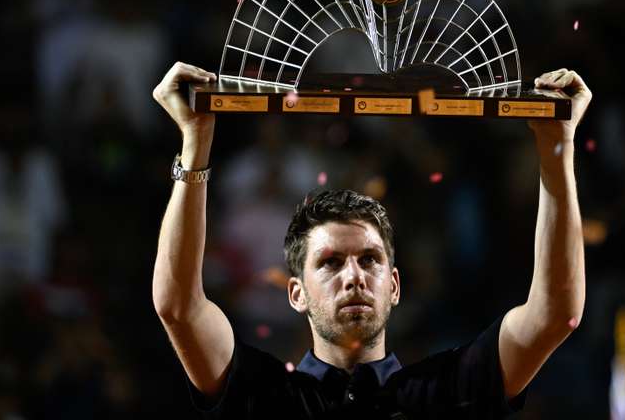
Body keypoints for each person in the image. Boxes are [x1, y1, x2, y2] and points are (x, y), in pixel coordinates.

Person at [151, 62, 592, 419]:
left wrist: (558, 150)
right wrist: (195, 142)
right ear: (296, 293)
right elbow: (178, 308)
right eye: (329, 263)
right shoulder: (264, 394)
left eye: (369, 259)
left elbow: (555, 315)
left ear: (395, 285)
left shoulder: (447, 389)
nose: (354, 276)